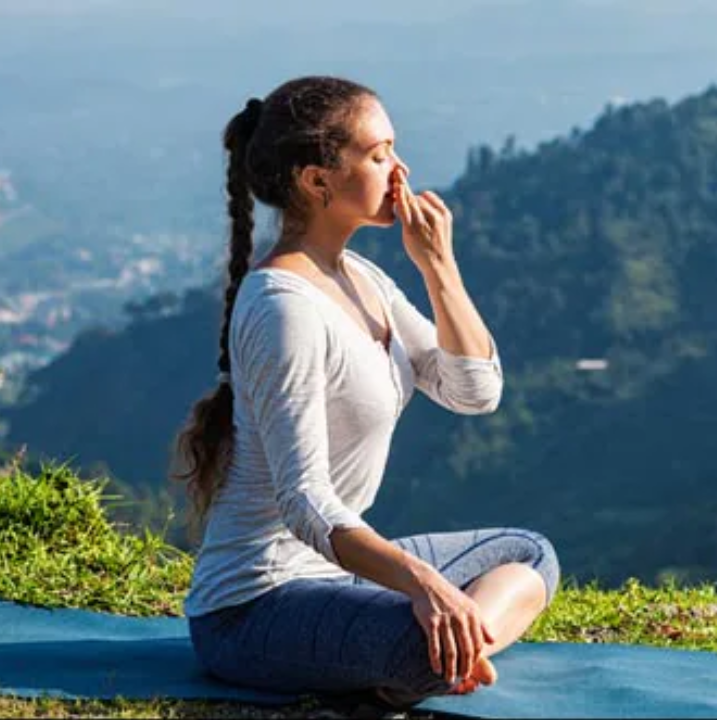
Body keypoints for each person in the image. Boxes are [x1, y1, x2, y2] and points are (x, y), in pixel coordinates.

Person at [171, 76, 560, 710]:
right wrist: (424, 586)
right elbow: (306, 502)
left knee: (528, 554)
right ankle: (436, 657)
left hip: (334, 576)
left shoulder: (363, 278)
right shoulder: (282, 308)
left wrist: (439, 267)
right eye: (378, 155)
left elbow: (474, 391)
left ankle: (450, 655)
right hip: (253, 610)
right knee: (420, 637)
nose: (399, 170)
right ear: (316, 180)